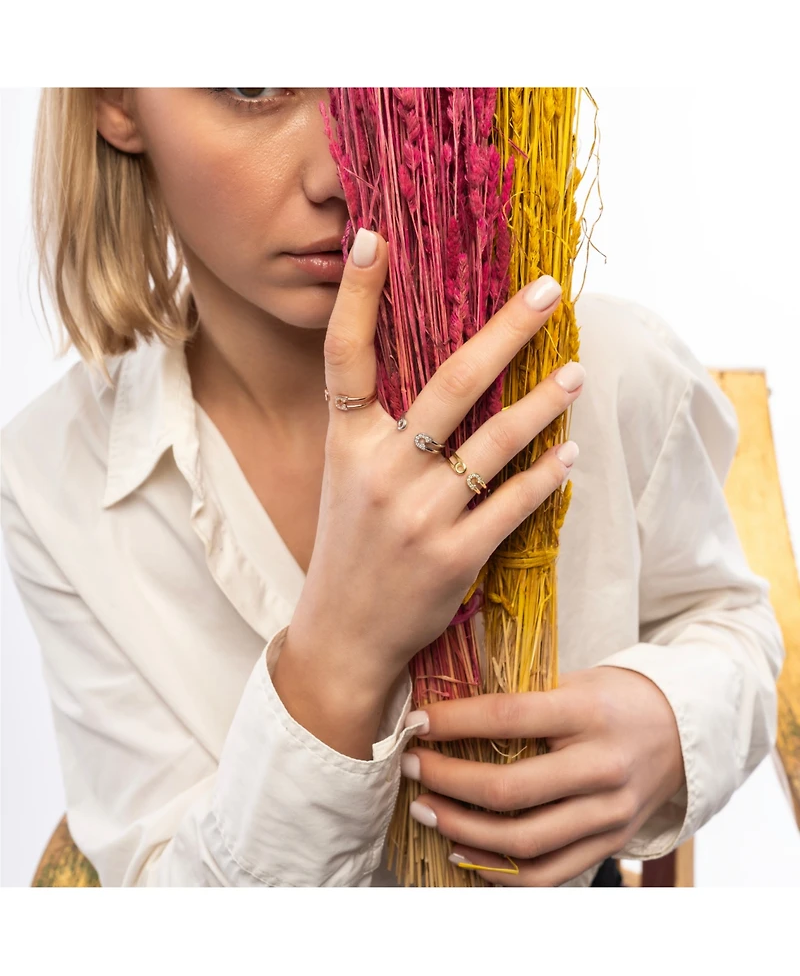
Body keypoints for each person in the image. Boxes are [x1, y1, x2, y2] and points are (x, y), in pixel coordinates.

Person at [0, 88, 785, 887]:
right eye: (254, 85)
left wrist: (669, 726)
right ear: (115, 99)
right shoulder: (52, 475)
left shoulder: (601, 362)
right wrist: (338, 650)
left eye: (379, 80)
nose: (339, 172)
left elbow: (728, 620)